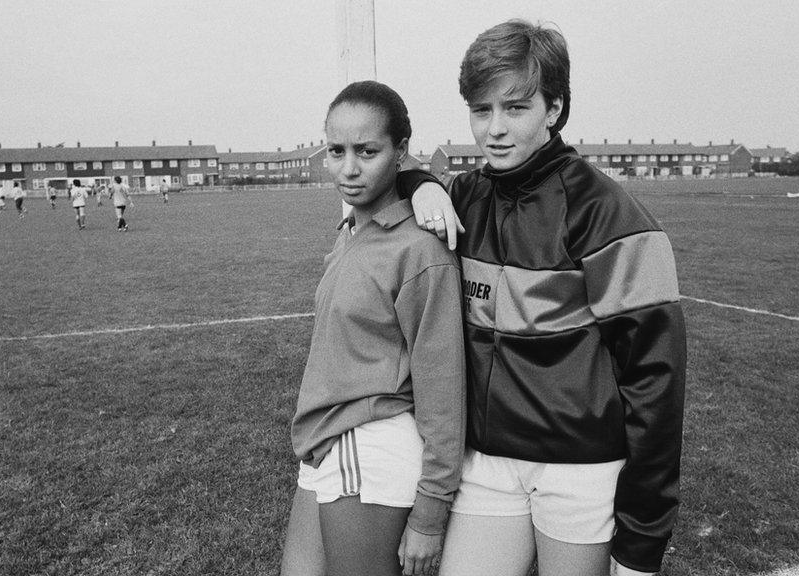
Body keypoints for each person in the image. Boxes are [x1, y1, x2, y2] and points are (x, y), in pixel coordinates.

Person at [397, 19, 687, 576]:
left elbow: (657, 383)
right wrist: (422, 184)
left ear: (554, 109)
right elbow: (389, 173)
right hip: (484, 465)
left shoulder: (609, 213)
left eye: (516, 108)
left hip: (580, 470)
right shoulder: (463, 197)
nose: (495, 129)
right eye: (482, 111)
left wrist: (644, 537)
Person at [280, 80, 466, 576]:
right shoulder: (351, 232)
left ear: (401, 151)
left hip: (372, 446)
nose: (349, 168)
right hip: (324, 441)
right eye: (336, 151)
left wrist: (431, 510)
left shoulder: (421, 250)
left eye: (367, 151)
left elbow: (443, 386)